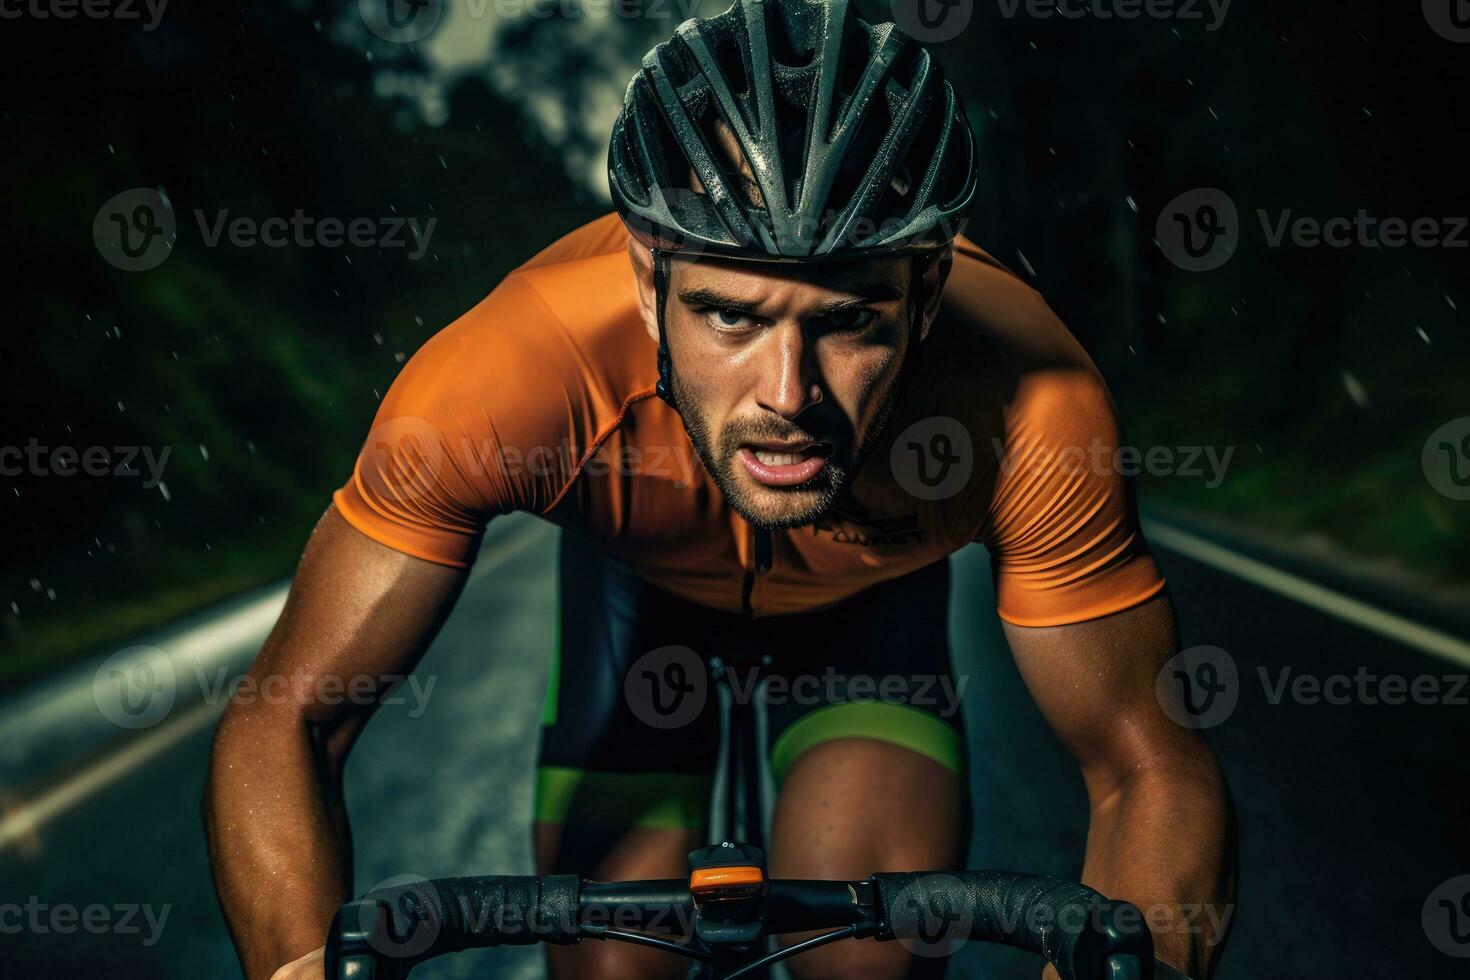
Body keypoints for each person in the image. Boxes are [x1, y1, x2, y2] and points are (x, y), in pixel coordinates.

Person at [205, 2, 1235, 977]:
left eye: (848, 320)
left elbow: (1147, 765)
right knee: (615, 960)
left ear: (926, 291)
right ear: (649, 277)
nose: (789, 398)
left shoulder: (1033, 408)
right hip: (640, 604)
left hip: (866, 614)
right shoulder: (506, 377)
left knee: (868, 958)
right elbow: (285, 716)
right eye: (731, 317)